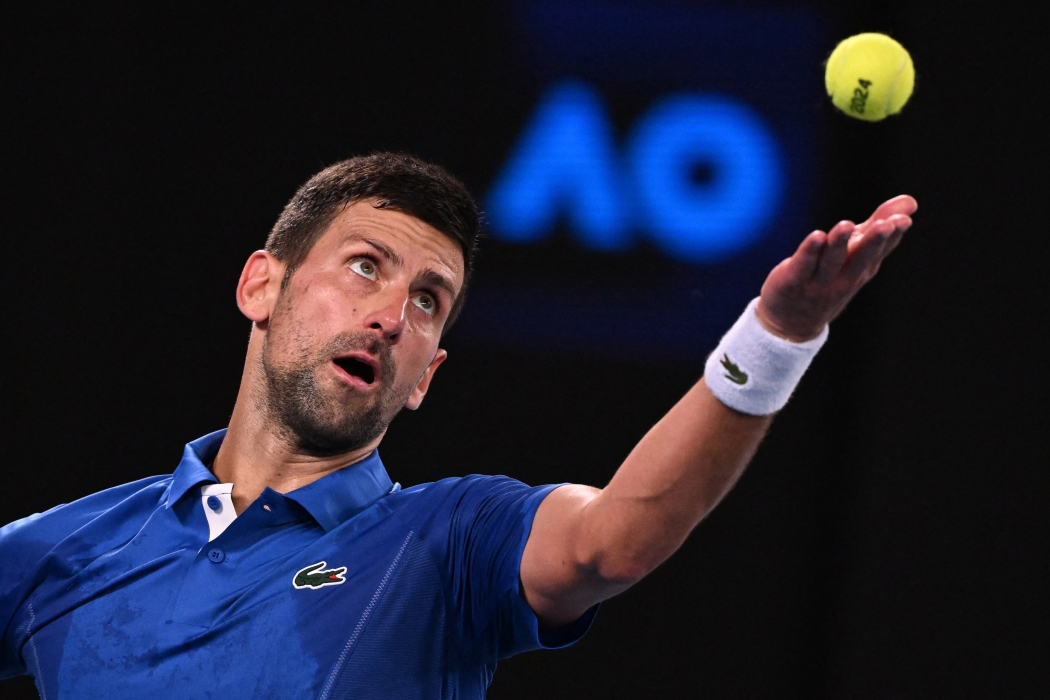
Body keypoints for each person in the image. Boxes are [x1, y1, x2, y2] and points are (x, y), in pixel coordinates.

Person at [0, 153, 916, 699]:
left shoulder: (452, 539)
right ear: (262, 286)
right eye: (365, 267)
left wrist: (779, 337)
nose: (393, 315)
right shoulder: (63, 551)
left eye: (428, 302)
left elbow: (616, 540)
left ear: (425, 378)